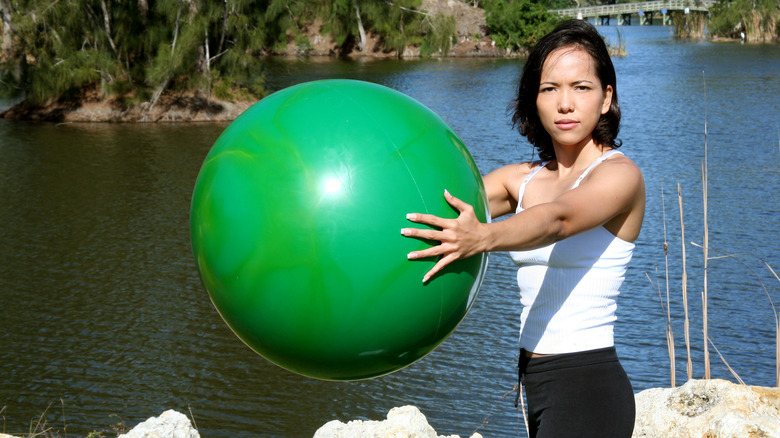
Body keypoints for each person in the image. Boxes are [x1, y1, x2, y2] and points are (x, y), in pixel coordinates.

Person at [401, 19, 645, 438]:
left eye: (581, 88)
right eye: (550, 89)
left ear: (606, 98)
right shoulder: (524, 180)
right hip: (536, 379)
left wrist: (483, 237)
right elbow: (438, 202)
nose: (565, 104)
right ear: (534, 100)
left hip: (589, 387)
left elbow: (559, 219)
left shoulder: (621, 177)